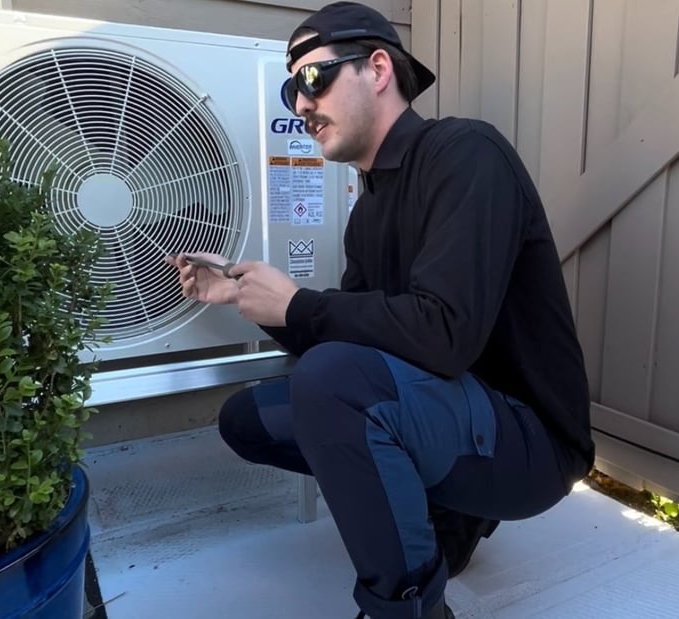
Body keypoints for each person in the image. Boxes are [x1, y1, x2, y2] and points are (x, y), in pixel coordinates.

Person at [167, 2, 595, 618]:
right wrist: (250, 299)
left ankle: (409, 605)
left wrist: (299, 304)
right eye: (291, 92)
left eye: (312, 78)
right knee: (248, 420)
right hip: (447, 415)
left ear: (377, 69)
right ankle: (447, 511)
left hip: (530, 443)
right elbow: (354, 341)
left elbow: (444, 335)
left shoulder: (466, 153)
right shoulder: (367, 213)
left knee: (334, 383)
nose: (302, 104)